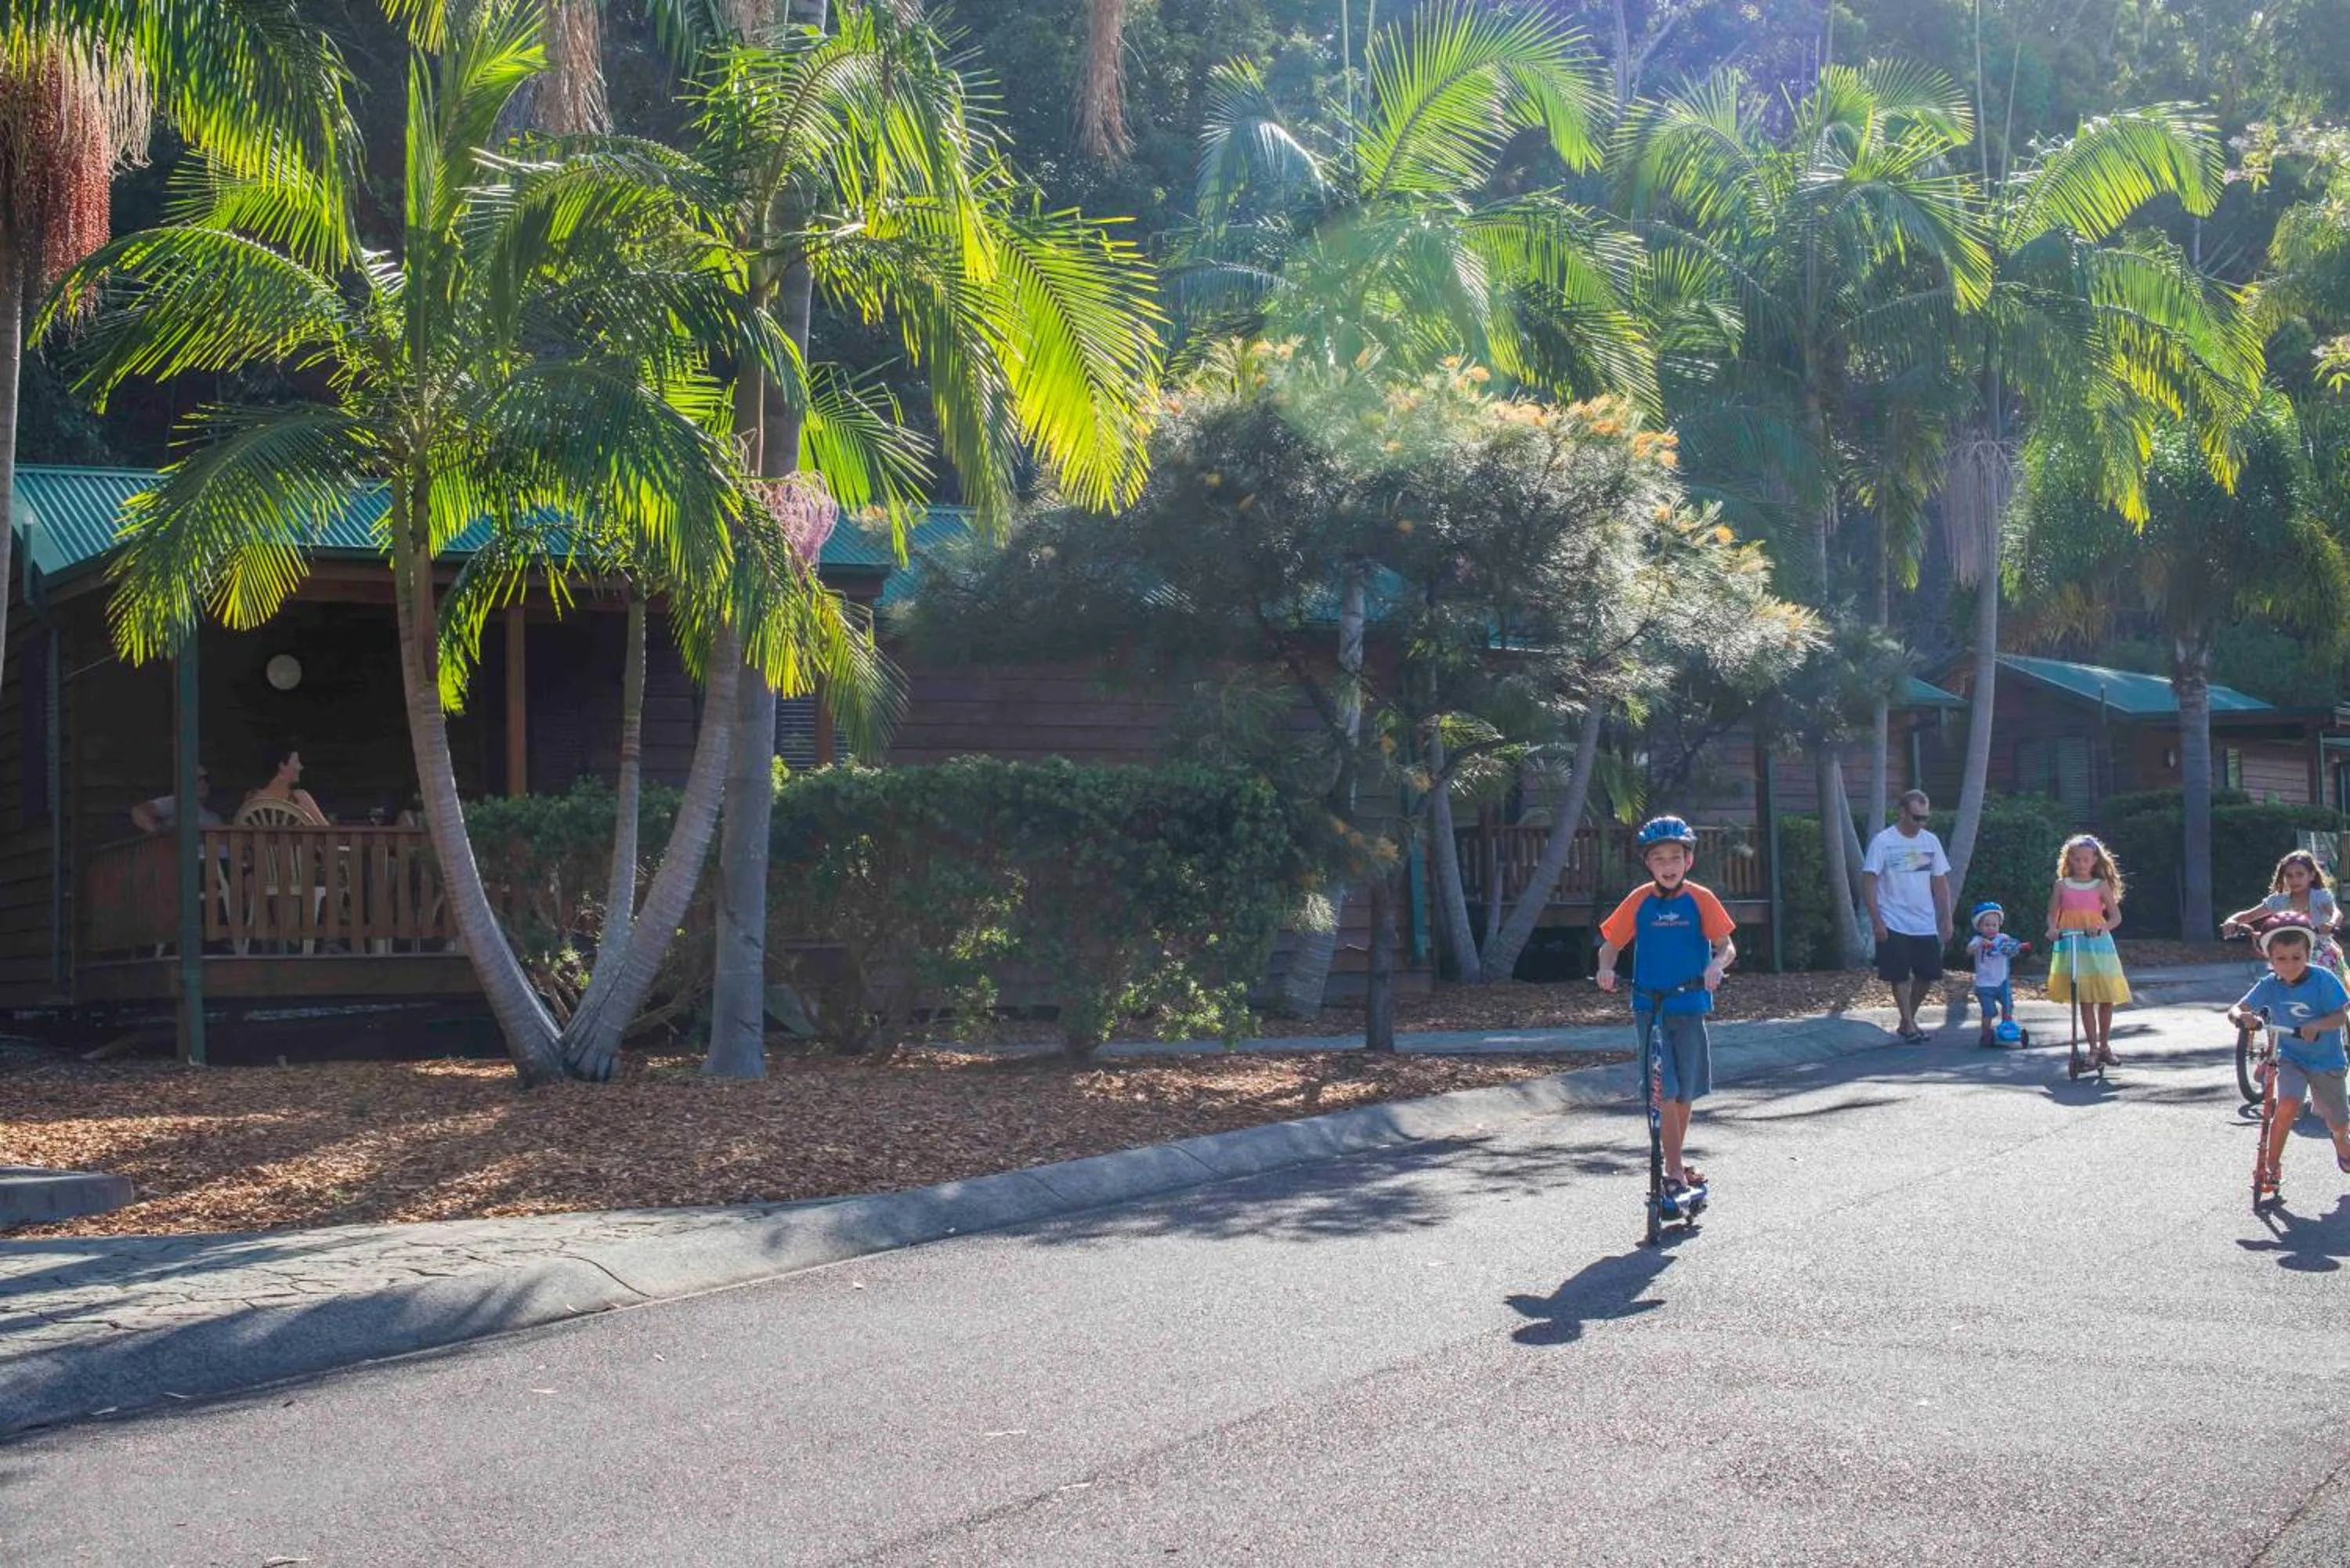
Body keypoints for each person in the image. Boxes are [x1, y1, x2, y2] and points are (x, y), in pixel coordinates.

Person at [1596, 815, 1737, 1202]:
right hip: (1649, 1006)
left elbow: (1727, 946)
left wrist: (1715, 964)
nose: (1668, 865)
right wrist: (1605, 968)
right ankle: (1673, 1171)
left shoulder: (1701, 898)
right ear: (1648, 863)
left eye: (1676, 857)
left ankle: (1674, 1161)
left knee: (1685, 1089)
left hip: (1690, 1004)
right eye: (1659, 859)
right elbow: (1611, 945)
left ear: (1688, 861)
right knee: (1665, 1090)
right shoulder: (1639, 900)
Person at [2227, 914, 2350, 1198]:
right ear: (2270, 959)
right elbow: (2237, 1008)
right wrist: (2242, 1016)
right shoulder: (2271, 983)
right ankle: (2270, 1166)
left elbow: (2341, 1016)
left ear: (2308, 953)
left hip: (2326, 1061)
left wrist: (2316, 1025)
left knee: (2339, 1123)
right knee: (2287, 1104)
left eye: (2297, 957)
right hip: (2291, 1057)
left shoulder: (2323, 979)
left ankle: (2342, 1141)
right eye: (2281, 959)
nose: (2290, 965)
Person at [1861, 788, 1954, 1044]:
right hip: (1893, 919)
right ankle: (1910, 1025)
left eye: (1925, 818)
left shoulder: (1930, 842)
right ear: (1902, 812)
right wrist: (1877, 920)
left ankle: (1907, 1020)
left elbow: (1940, 882)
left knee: (1927, 975)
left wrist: (1946, 917)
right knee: (1899, 974)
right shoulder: (1884, 842)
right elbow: (1869, 882)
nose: (1921, 823)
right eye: (1916, 817)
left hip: (1923, 921)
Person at [2044, 833, 2129, 1067]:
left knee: (2105, 997)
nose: (2081, 864)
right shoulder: (2062, 886)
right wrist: (2052, 929)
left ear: (2094, 861)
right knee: (2084, 997)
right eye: (2076, 859)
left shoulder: (2100, 885)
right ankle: (2092, 1049)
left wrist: (2101, 928)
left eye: (2085, 859)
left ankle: (2105, 1046)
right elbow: (2053, 915)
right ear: (2069, 860)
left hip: (2098, 945)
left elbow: (2115, 917)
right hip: (2073, 943)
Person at [2222, 850, 2346, 980]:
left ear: (2312, 875)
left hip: (2320, 953)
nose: (2294, 879)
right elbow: (2249, 916)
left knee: (2329, 988)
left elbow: (2336, 913)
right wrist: (2232, 920)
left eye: (2300, 874)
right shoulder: (2278, 901)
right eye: (2289, 876)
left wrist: (2331, 923)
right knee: (2275, 983)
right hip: (2288, 955)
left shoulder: (2319, 897)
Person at [1965, 901, 2026, 1049]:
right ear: (1979, 926)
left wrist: (2016, 947)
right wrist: (1980, 944)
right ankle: (1985, 1034)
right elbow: (1969, 950)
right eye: (1987, 925)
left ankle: (2007, 1028)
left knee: (2008, 1006)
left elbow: (2012, 948)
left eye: (1994, 925)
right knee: (1990, 1011)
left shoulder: (2003, 938)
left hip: (2002, 982)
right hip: (1984, 985)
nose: (1991, 928)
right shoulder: (1978, 940)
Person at [244, 745, 329, 825]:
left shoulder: (252, 797)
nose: (301, 767)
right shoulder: (300, 798)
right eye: (297, 761)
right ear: (282, 766)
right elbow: (328, 832)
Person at [129, 768, 222, 835]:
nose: (202, 784)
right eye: (197, 779)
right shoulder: (176, 802)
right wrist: (158, 834)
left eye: (206, 780)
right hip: (179, 859)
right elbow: (139, 811)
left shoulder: (215, 817)